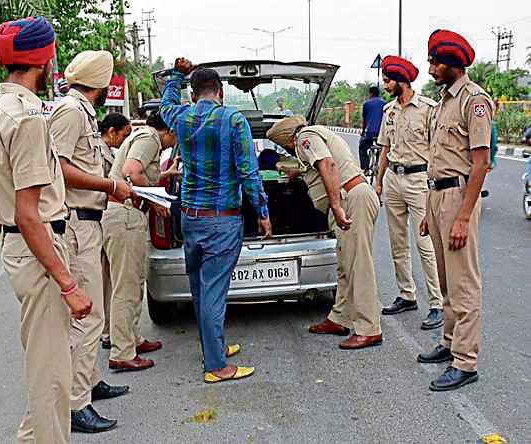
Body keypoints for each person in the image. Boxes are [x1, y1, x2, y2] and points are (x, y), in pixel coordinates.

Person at [0, 16, 93, 443]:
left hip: (24, 246)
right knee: (52, 378)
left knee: (48, 366)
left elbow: (2, 198)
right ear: (44, 60)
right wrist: (67, 283)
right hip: (40, 246)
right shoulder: (27, 116)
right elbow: (29, 213)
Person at [160, 57, 271, 383]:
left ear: (193, 95)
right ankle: (217, 367)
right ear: (220, 92)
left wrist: (176, 75)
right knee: (214, 291)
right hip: (222, 221)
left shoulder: (181, 116)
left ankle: (213, 348)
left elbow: (167, 102)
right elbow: (250, 172)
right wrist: (262, 212)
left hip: (191, 218)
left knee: (200, 288)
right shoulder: (234, 121)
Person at [49, 50, 132, 434]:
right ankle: (76, 403)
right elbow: (59, 169)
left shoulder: (82, 111)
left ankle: (90, 383)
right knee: (87, 318)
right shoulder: (69, 111)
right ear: (101, 80)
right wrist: (111, 185)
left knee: (94, 310)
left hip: (91, 221)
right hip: (77, 224)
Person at [416, 29, 493, 392]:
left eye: (434, 62)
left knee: (463, 283)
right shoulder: (444, 100)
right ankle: (449, 344)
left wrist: (463, 215)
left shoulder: (473, 100)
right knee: (446, 279)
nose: (429, 67)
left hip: (458, 198)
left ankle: (466, 362)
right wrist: (428, 212)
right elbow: (437, 156)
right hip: (436, 197)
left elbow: (480, 163)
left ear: (452, 64)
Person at [267, 116, 382, 349]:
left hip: (351, 199)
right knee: (345, 264)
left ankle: (369, 329)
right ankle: (339, 318)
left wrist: (337, 205)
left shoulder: (305, 138)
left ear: (289, 141)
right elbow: (310, 167)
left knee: (359, 265)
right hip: (350, 198)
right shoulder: (313, 137)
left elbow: (327, 164)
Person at [375, 56, 444, 330]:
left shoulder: (428, 109)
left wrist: (434, 183)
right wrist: (379, 182)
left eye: (388, 80)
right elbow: (384, 147)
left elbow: (438, 150)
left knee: (425, 244)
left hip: (418, 180)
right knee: (397, 242)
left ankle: (437, 303)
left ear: (401, 81)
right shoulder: (388, 111)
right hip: (394, 177)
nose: (385, 85)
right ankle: (407, 294)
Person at [104, 112, 176, 371]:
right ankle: (122, 352)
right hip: (124, 215)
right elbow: (131, 172)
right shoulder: (150, 138)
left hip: (126, 215)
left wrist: (166, 173)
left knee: (134, 281)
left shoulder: (144, 137)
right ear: (168, 130)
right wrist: (157, 202)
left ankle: (132, 339)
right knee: (126, 285)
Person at [98, 113, 132, 350]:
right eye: (123, 135)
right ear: (111, 132)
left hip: (102, 218)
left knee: (109, 278)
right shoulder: (98, 153)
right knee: (105, 279)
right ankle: (106, 331)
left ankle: (108, 330)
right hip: (98, 217)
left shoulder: (110, 152)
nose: (123, 140)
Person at [359, 86, 386, 171]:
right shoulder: (385, 104)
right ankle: (383, 167)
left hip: (370, 133)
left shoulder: (366, 104)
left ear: (370, 93)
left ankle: (365, 168)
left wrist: (363, 132)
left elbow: (364, 120)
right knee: (385, 150)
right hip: (382, 134)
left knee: (362, 147)